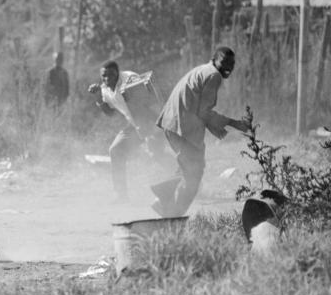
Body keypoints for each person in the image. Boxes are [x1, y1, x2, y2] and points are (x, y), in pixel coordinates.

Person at [153, 46, 250, 217]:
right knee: (194, 174)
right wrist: (234, 123)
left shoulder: (203, 70)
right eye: (224, 62)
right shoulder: (213, 76)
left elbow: (200, 108)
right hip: (181, 127)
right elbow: (204, 112)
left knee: (187, 166)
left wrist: (216, 127)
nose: (229, 67)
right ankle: (173, 215)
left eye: (232, 63)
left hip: (173, 123)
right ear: (215, 60)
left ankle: (164, 198)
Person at [88, 61, 168, 202]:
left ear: (118, 73)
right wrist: (98, 99)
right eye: (104, 76)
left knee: (156, 154)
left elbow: (146, 104)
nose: (107, 79)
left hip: (151, 120)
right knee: (115, 150)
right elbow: (111, 113)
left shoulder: (130, 78)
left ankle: (189, 178)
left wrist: (149, 131)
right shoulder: (104, 89)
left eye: (111, 75)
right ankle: (121, 195)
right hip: (134, 124)